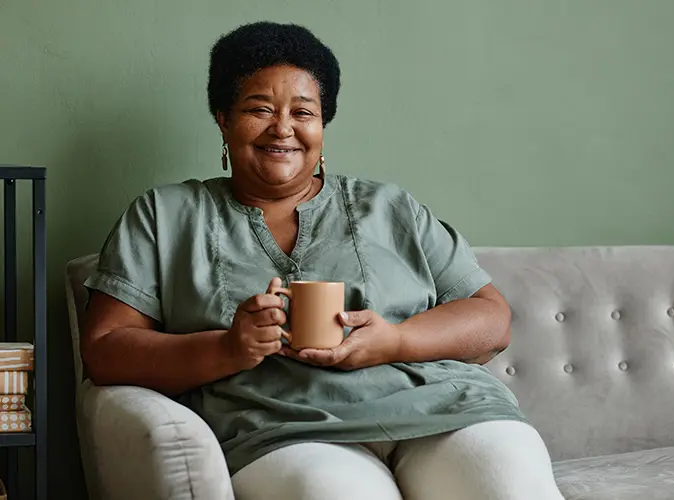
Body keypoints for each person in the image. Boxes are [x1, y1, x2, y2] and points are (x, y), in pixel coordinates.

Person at [82, 21, 564, 500]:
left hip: (448, 410)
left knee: (510, 484)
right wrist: (228, 348)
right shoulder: (163, 216)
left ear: (322, 125)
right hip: (283, 428)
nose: (283, 128)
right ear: (223, 118)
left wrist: (395, 341)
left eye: (303, 112)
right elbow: (104, 349)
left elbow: (491, 320)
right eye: (259, 109)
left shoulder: (390, 208)